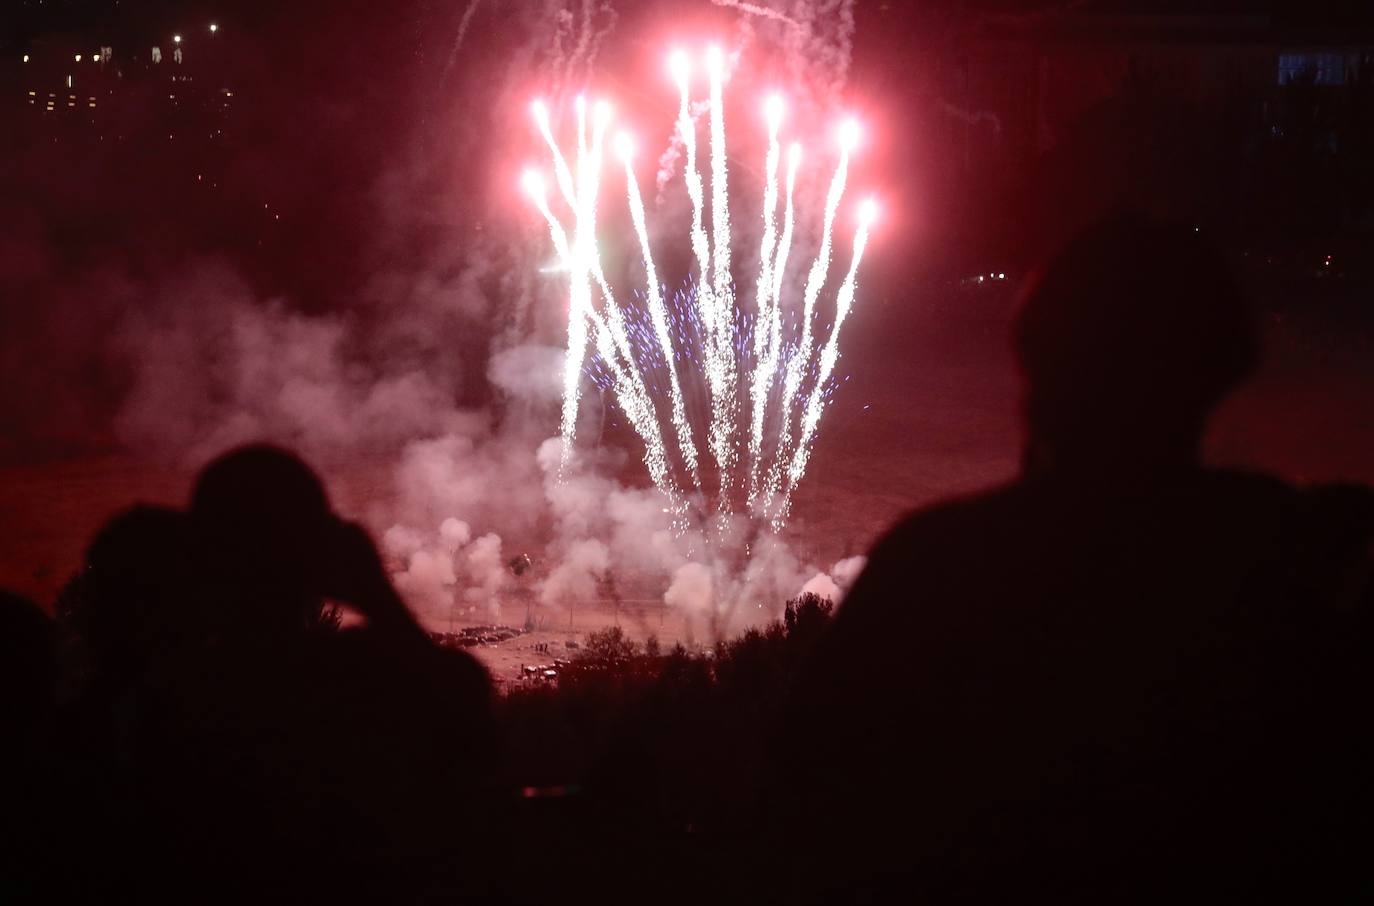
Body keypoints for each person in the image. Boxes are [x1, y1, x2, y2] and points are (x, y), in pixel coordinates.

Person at [777, 215, 1374, 903]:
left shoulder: (937, 562)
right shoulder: (1289, 559)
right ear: (1220, 371)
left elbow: (806, 800)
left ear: (1040, 369)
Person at [118, 445, 496, 903]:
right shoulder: (354, 678)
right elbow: (466, 705)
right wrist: (377, 595)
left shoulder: (159, 701)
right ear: (321, 552)